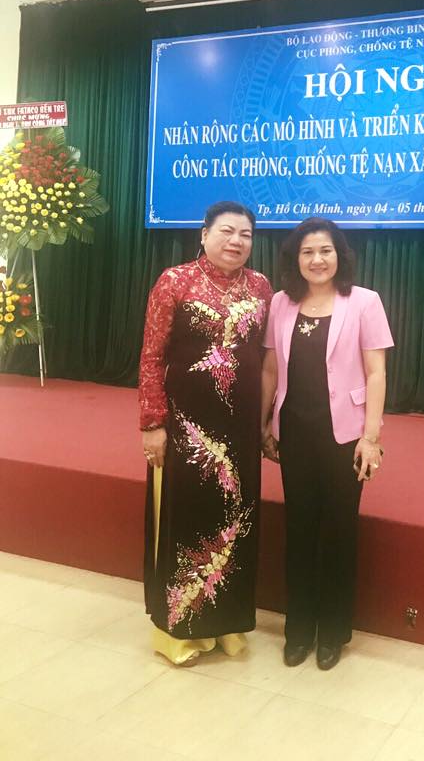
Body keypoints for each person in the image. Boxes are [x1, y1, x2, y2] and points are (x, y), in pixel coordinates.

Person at [139, 201, 272, 666]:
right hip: (186, 429)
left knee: (235, 522)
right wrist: (152, 424)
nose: (237, 241)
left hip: (240, 430)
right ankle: (178, 632)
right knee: (187, 519)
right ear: (204, 234)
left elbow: (265, 359)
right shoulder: (174, 281)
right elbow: (152, 356)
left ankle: (226, 624)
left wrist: (264, 422)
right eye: (227, 231)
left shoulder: (261, 286)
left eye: (246, 234)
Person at [261, 217, 393, 671]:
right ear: (295, 259)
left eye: (325, 251)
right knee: (298, 530)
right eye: (308, 252)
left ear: (340, 255)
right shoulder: (281, 302)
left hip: (345, 437)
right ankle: (298, 629)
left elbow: (376, 372)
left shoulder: (364, 302)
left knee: (338, 531)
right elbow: (270, 369)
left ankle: (333, 632)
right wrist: (264, 424)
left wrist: (371, 438)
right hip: (295, 435)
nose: (317, 260)